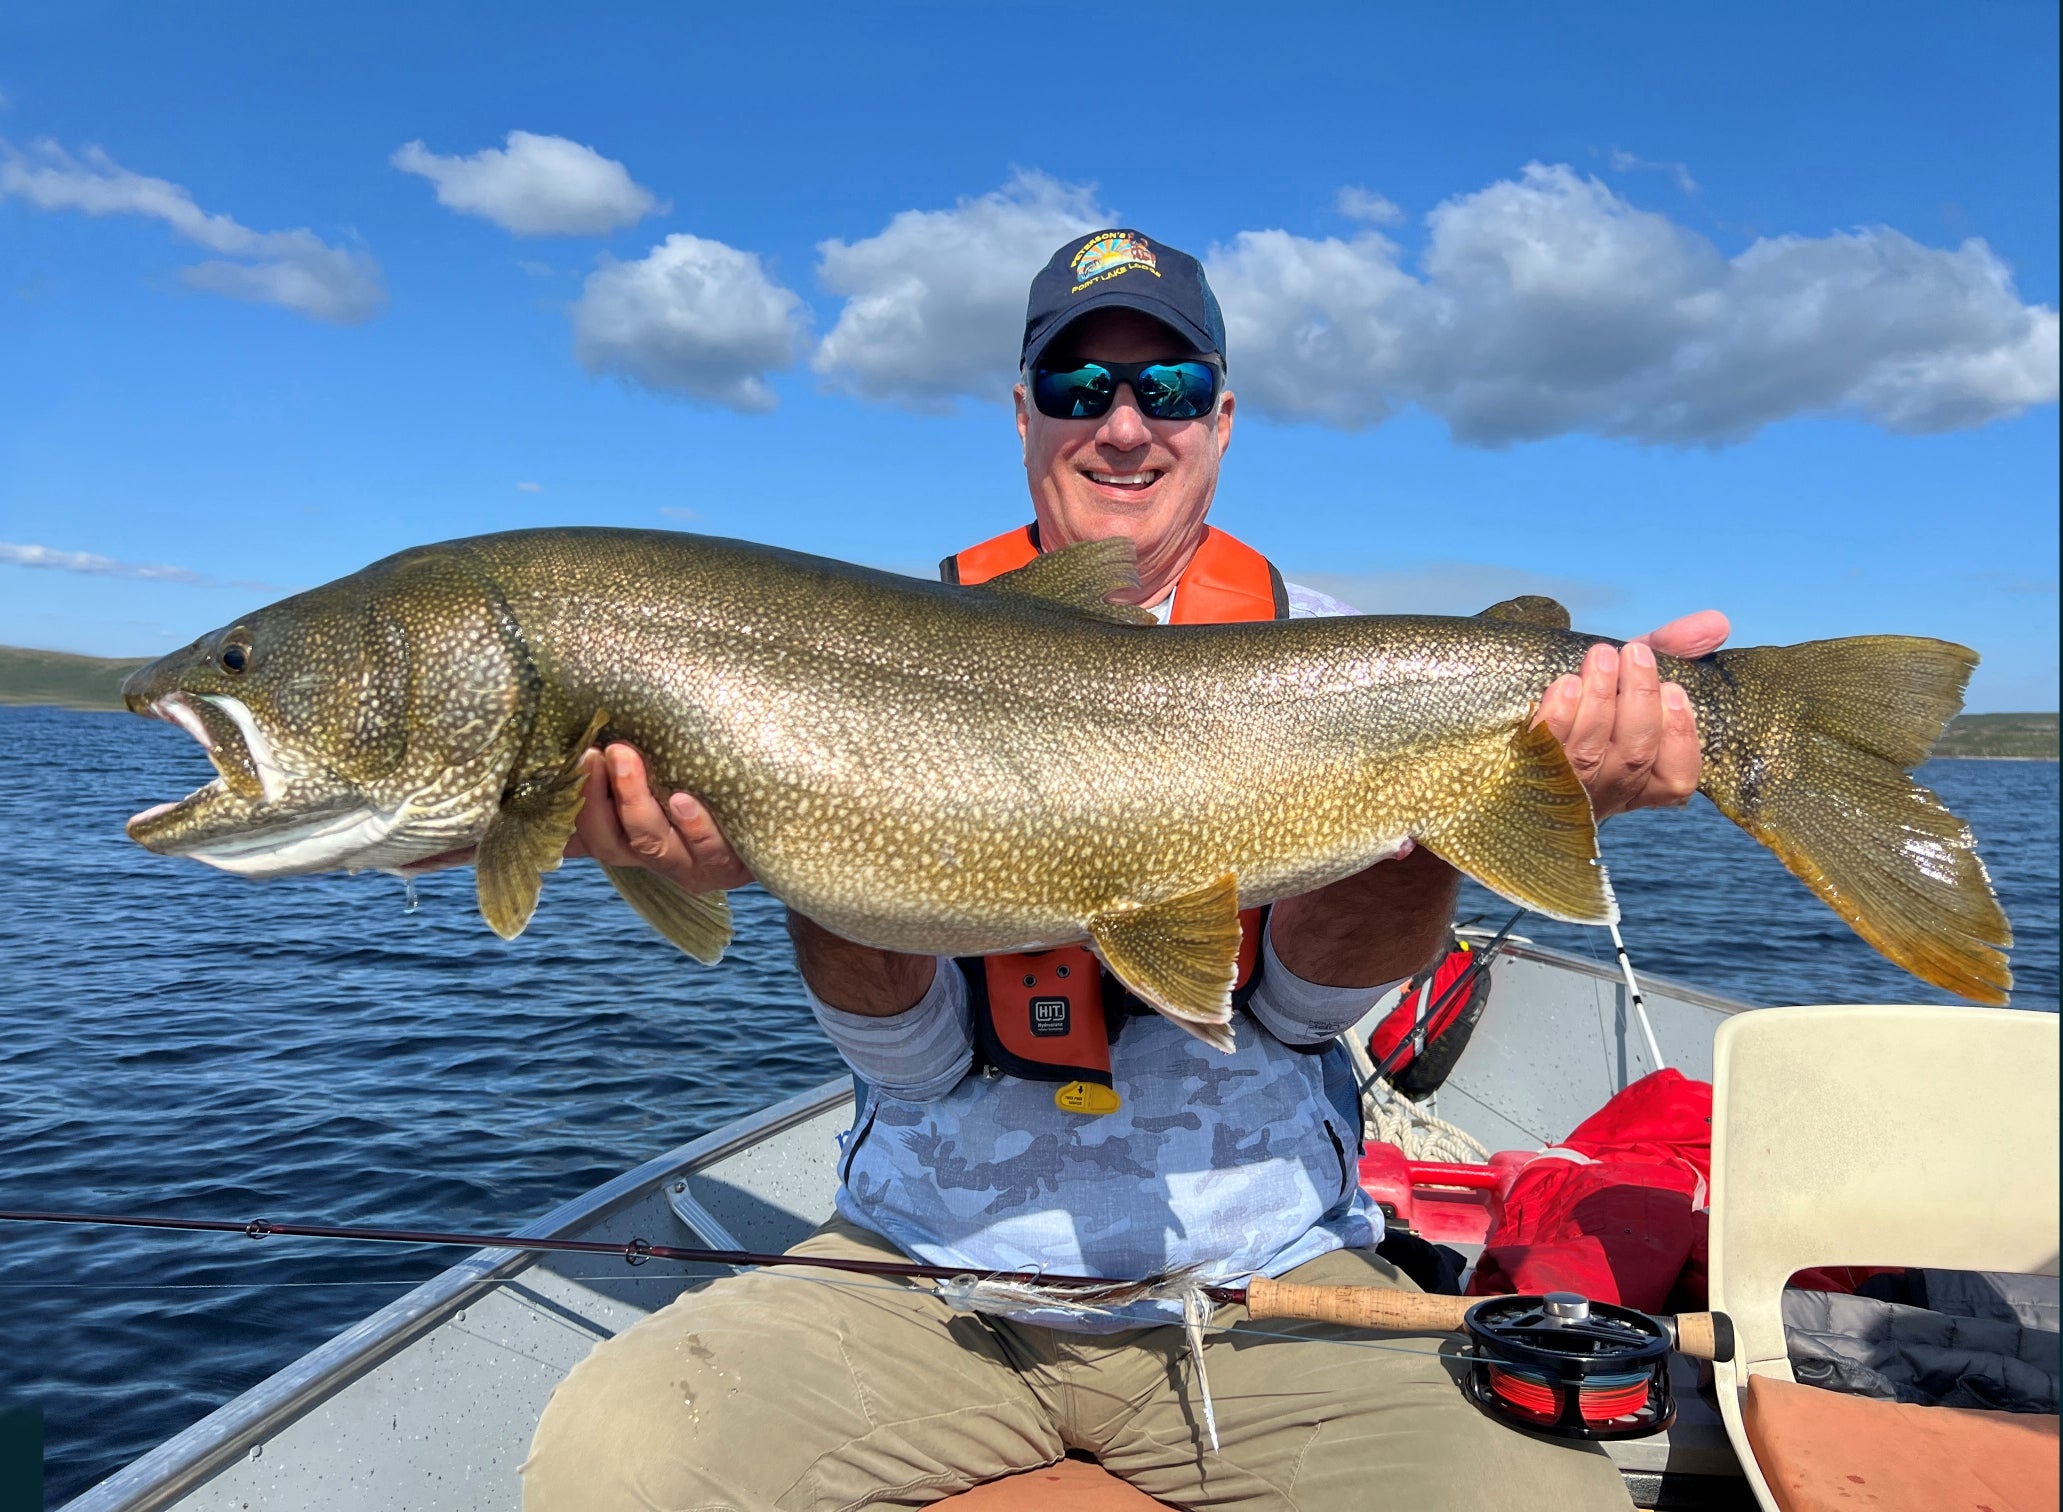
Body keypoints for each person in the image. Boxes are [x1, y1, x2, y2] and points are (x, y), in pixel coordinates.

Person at [522, 231, 1726, 1511]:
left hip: (1263, 1284)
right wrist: (791, 851)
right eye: (1080, 386)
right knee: (613, 1466)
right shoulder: (868, 649)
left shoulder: (1338, 656)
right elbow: (910, 1067)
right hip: (929, 1279)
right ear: (1023, 413)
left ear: (1221, 415)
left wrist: (1465, 809)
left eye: (1166, 387)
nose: (1123, 426)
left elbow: (1304, 1014)